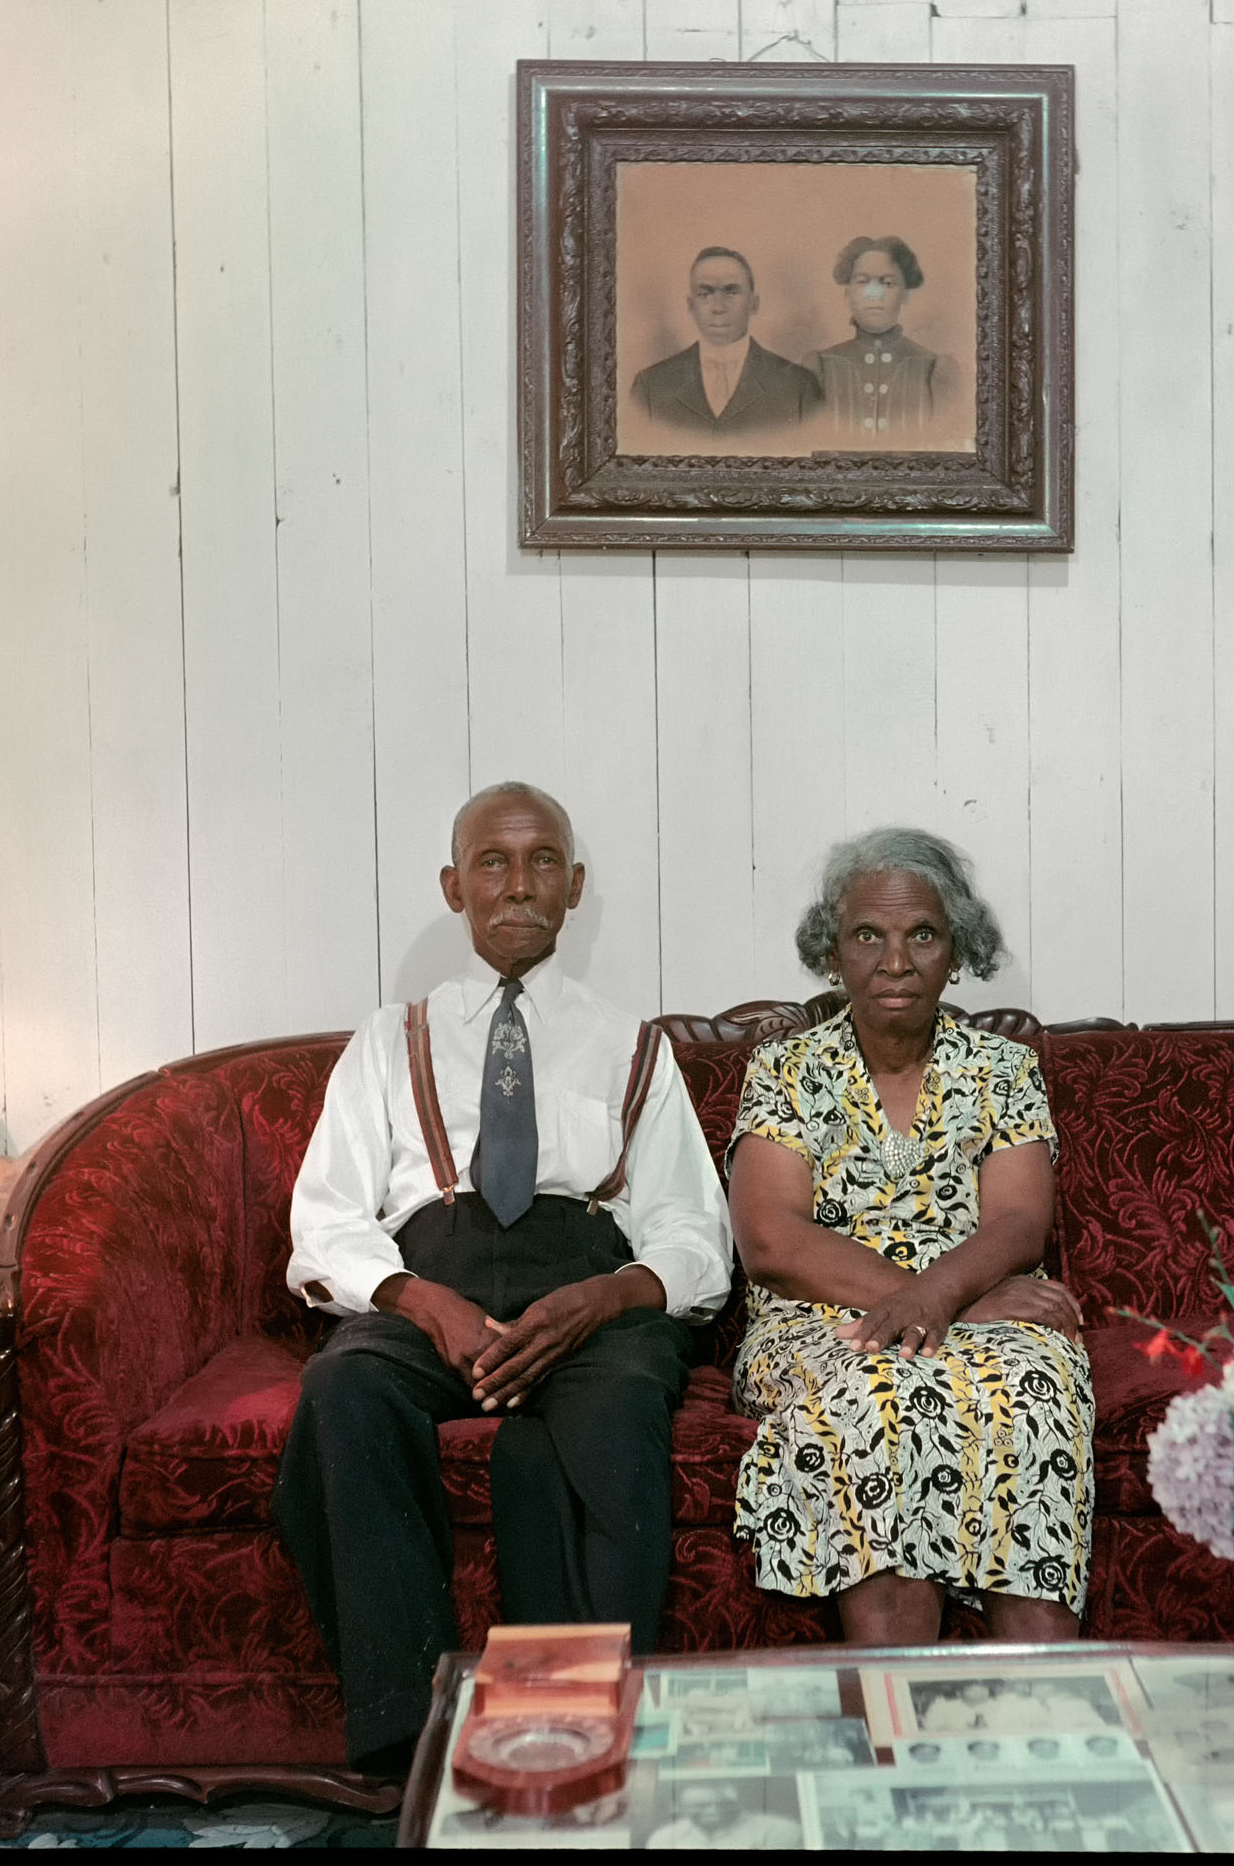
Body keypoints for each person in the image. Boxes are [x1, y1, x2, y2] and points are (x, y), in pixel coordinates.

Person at [272, 782, 732, 1775]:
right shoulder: (386, 1041)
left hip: (589, 1292)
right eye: (492, 862)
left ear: (573, 886)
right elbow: (326, 1218)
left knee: (616, 1400)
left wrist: (607, 1296)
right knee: (342, 1386)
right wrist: (424, 1302)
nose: (516, 885)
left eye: (540, 862)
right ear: (454, 885)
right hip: (434, 1284)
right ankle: (414, 1733)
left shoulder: (634, 1045)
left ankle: (587, 1732)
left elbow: (693, 1225)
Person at [727, 828, 1094, 1645]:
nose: (896, 960)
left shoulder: (1003, 1069)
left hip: (983, 1315)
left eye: (922, 934)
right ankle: (897, 1733)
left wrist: (940, 1299)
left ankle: (1049, 1727)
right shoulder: (784, 1070)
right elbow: (773, 1243)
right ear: (833, 952)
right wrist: (945, 1301)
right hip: (823, 1318)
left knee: (1036, 1390)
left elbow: (1018, 1221)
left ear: (956, 948)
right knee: (881, 1393)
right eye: (869, 936)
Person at [630, 247, 823, 435]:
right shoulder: (650, 386)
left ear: (753, 304)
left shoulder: (799, 386)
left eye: (732, 292)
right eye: (705, 294)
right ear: (691, 305)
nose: (718, 308)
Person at [806, 236, 962, 439]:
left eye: (888, 283)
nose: (874, 294)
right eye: (862, 281)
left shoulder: (934, 369)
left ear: (905, 295)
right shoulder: (819, 367)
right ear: (848, 293)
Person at [647, 1779, 801, 1849]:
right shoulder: (663, 1837)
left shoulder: (779, 1829)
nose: (714, 1811)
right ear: (678, 1808)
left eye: (723, 1804)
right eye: (700, 1806)